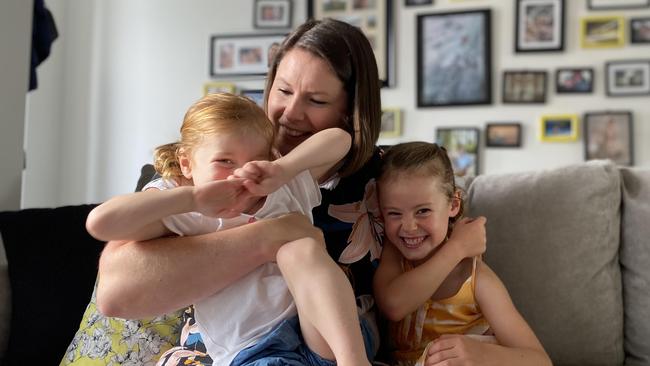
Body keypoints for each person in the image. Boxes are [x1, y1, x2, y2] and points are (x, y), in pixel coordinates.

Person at [66, 18, 485, 365]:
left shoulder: (382, 182)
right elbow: (117, 291)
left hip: (333, 345)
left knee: (301, 252)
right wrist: (270, 236)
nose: (291, 113)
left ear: (349, 109)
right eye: (283, 91)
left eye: (317, 100)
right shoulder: (200, 175)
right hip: (239, 346)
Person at [86, 92, 370, 366]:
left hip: (328, 335)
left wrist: (283, 168)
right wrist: (193, 198)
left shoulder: (285, 187)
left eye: (255, 159)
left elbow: (340, 140)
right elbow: (101, 223)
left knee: (300, 249)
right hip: (254, 349)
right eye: (225, 161)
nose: (241, 173)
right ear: (186, 163)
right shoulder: (190, 208)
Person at [373, 141, 551, 366]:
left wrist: (482, 355)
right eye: (394, 213)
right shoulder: (394, 255)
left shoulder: (477, 280)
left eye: (423, 211)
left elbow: (541, 361)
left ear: (453, 205)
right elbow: (393, 305)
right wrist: (457, 248)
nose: (408, 226)